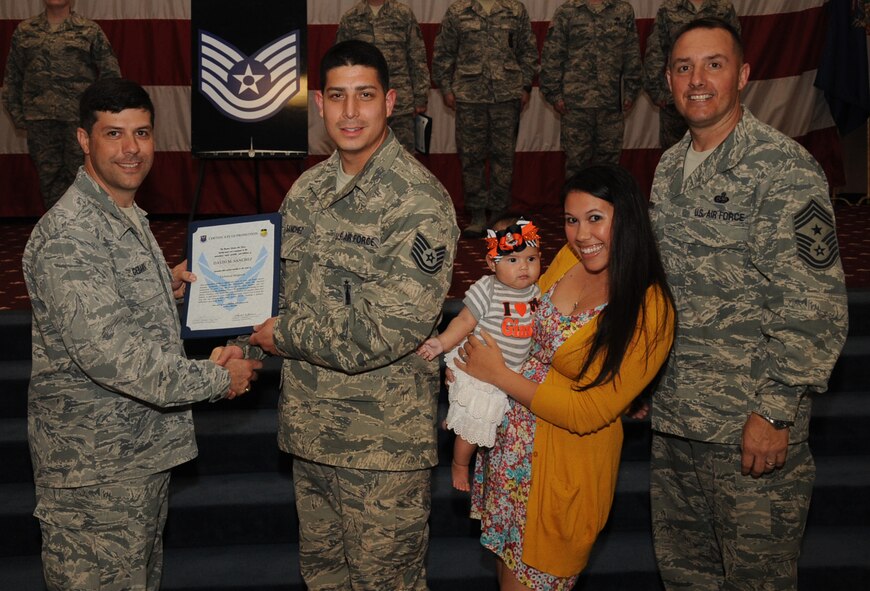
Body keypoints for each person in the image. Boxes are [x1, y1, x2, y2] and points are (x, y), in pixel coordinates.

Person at [218, 40, 458, 590]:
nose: (351, 112)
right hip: (310, 436)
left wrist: (281, 336)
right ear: (319, 104)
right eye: (338, 97)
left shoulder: (418, 200)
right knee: (323, 581)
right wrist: (245, 342)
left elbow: (385, 331)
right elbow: (279, 294)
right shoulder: (307, 190)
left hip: (381, 450)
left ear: (391, 101)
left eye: (365, 96)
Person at [21, 77, 262, 591]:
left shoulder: (123, 214)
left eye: (142, 133)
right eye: (114, 134)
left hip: (136, 461)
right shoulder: (71, 234)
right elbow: (114, 358)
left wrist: (162, 285)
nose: (131, 149)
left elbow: (112, 311)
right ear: (84, 140)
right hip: (94, 477)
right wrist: (221, 378)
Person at [648, 18, 849, 590]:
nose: (698, 80)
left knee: (756, 582)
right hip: (677, 423)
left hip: (747, 427)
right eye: (684, 68)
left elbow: (815, 304)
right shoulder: (668, 169)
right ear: (668, 79)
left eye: (713, 64)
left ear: (742, 74)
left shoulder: (783, 169)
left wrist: (775, 409)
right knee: (687, 578)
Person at [456, 164, 676, 590]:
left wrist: (497, 374)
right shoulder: (568, 259)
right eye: (571, 220)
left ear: (627, 217)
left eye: (596, 218)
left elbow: (587, 412)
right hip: (509, 455)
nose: (581, 235)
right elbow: (516, 314)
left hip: (562, 475)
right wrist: (471, 372)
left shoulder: (650, 307)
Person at [417, 217, 542, 492]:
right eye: (512, 260)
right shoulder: (488, 289)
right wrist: (440, 343)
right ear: (491, 263)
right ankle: (460, 464)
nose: (523, 266)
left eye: (531, 259)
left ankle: (455, 415)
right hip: (480, 371)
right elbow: (464, 322)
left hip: (512, 372)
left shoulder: (538, 293)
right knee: (475, 424)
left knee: (487, 418)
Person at [431, 0, 539, 238]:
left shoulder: (515, 9)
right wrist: (447, 88)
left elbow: (528, 51)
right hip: (469, 96)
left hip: (506, 95)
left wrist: (524, 86)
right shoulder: (458, 11)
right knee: (471, 157)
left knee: (504, 158)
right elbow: (444, 53)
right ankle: (478, 215)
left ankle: (500, 214)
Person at [3, 0, 121, 211]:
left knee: (84, 180)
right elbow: (12, 78)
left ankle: (86, 236)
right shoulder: (25, 31)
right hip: (40, 122)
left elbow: (111, 75)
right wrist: (21, 118)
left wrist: (99, 118)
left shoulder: (89, 30)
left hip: (79, 123)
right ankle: (58, 237)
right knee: (50, 183)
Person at [540, 0, 642, 179]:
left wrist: (631, 91)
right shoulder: (567, 11)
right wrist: (554, 94)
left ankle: (605, 207)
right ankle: (576, 207)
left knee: (609, 167)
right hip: (575, 105)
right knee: (577, 166)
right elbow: (553, 55)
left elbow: (631, 52)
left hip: (611, 103)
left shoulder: (623, 10)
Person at [642, 0, 739, 150]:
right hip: (676, 105)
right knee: (675, 158)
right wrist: (661, 96)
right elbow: (655, 54)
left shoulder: (723, 7)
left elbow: (734, 55)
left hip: (714, 105)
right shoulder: (668, 8)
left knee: (720, 153)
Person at [336, 0, 431, 153]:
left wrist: (421, 96)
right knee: (365, 157)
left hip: (401, 102)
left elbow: (417, 57)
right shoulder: (351, 18)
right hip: (363, 104)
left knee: (403, 158)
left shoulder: (403, 14)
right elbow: (341, 64)